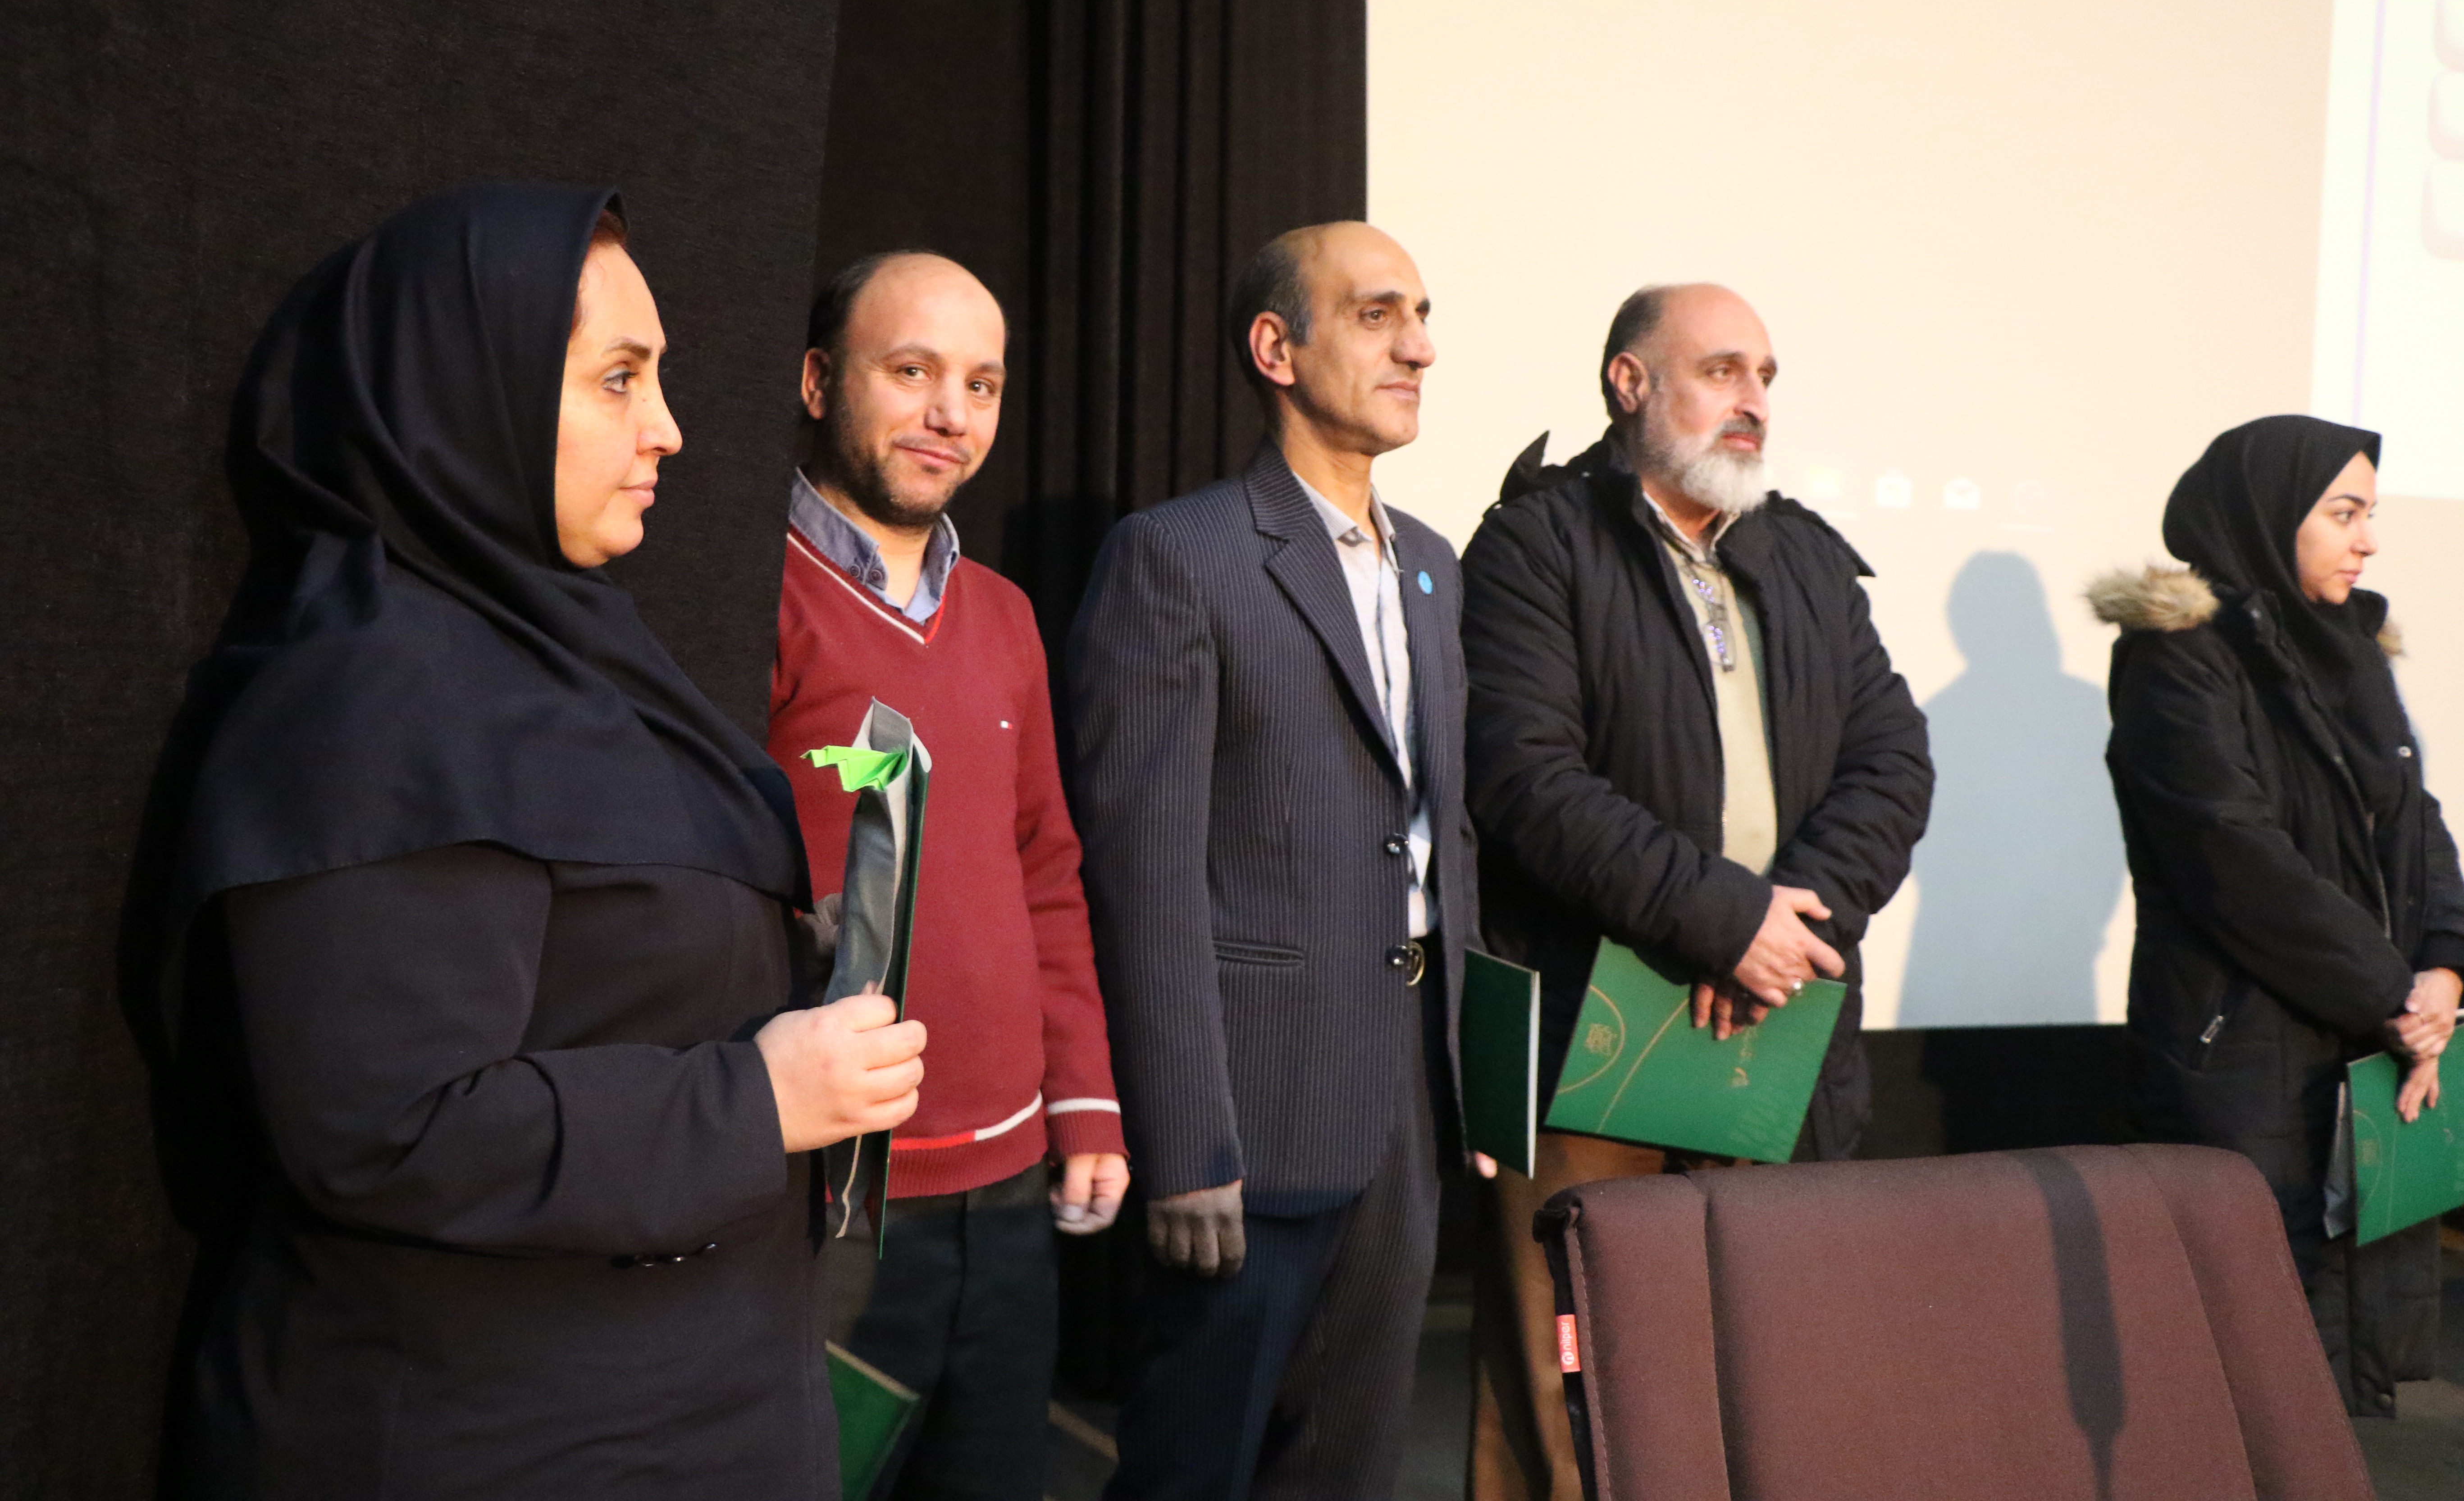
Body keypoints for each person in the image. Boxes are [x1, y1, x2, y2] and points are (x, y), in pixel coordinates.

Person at [140, 184, 927, 1499]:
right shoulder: (371, 705)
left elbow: (602, 972)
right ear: (470, 394)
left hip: (667, 1403)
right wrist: (756, 1100)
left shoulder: (582, 659)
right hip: (483, 1439)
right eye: (618, 379)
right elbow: (392, 1126)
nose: (669, 429)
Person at [1457, 282, 1933, 1500]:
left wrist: (1795, 922)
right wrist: (1724, 920)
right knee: (1568, 1384)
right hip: (1592, 1034)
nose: (1754, 400)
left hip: (1778, 1019)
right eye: (1723, 370)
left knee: (1762, 1369)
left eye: (1765, 377)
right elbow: (1525, 777)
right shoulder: (1536, 544)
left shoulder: (1805, 554)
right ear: (1630, 383)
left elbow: (1895, 760)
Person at [1067, 222, 1475, 1500]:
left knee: (1351, 1469)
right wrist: (1186, 1141)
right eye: (1377, 315)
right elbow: (1143, 877)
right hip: (1251, 1117)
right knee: (1193, 1473)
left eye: (1422, 315)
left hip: (1406, 1108)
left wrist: (1472, 1077)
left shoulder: (1433, 566)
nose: (1419, 347)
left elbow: (1443, 836)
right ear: (1276, 349)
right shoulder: (1178, 557)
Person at [767, 251, 1127, 1498]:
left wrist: (1085, 1099)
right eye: (911, 371)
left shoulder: (1008, 614)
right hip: (834, 1201)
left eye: (981, 384)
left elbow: (1047, 870)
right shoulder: (757, 600)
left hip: (1011, 1192)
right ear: (820, 382)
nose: (949, 413)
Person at [2090, 414, 2464, 1417]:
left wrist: (2446, 967)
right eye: (2344, 514)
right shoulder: (2178, 657)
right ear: (2268, 513)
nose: (2368, 540)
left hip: (2368, 1040)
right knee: (2244, 1361)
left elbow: (2418, 825)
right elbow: (2234, 858)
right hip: (2242, 1051)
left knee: (2340, 1377)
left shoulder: (2353, 650)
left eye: (2370, 515)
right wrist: (2392, 992)